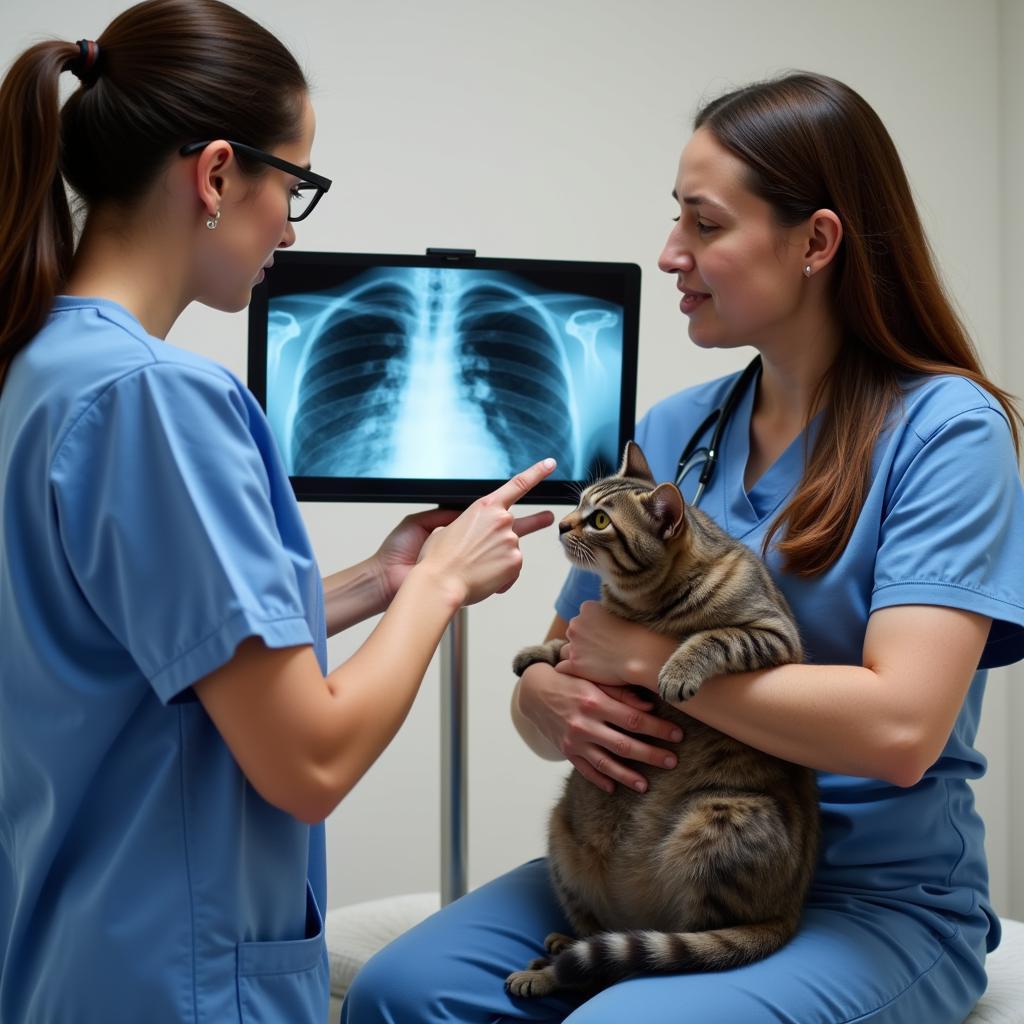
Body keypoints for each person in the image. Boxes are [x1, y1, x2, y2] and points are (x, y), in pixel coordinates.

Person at [341, 71, 1024, 1023]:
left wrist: (652, 658)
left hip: (872, 899)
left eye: (704, 225)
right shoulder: (677, 430)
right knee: (400, 994)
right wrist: (543, 697)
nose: (669, 254)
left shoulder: (948, 431)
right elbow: (565, 673)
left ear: (816, 242)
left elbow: (902, 731)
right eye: (677, 221)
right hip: (646, 863)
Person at [0, 2, 557, 1021]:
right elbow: (308, 758)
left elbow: (147, 651)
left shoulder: (38, 368)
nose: (292, 227)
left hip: (72, 955)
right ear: (216, 175)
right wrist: (435, 590)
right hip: (180, 980)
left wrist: (372, 580)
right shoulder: (157, 399)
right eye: (293, 185)